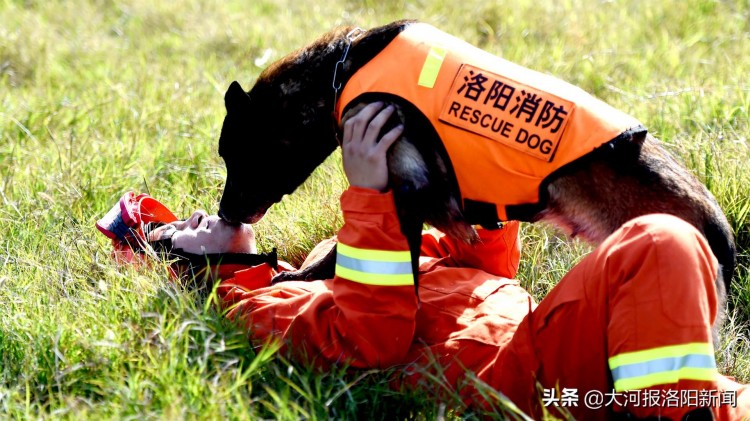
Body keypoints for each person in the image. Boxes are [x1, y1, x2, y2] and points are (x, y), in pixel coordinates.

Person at [99, 102, 750, 420]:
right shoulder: (254, 309)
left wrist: (459, 167)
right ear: (176, 267)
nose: (194, 215)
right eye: (176, 231)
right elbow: (373, 336)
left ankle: (684, 404)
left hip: (573, 357)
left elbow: (484, 271)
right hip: (541, 375)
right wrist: (370, 193)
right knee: (659, 242)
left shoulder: (322, 256)